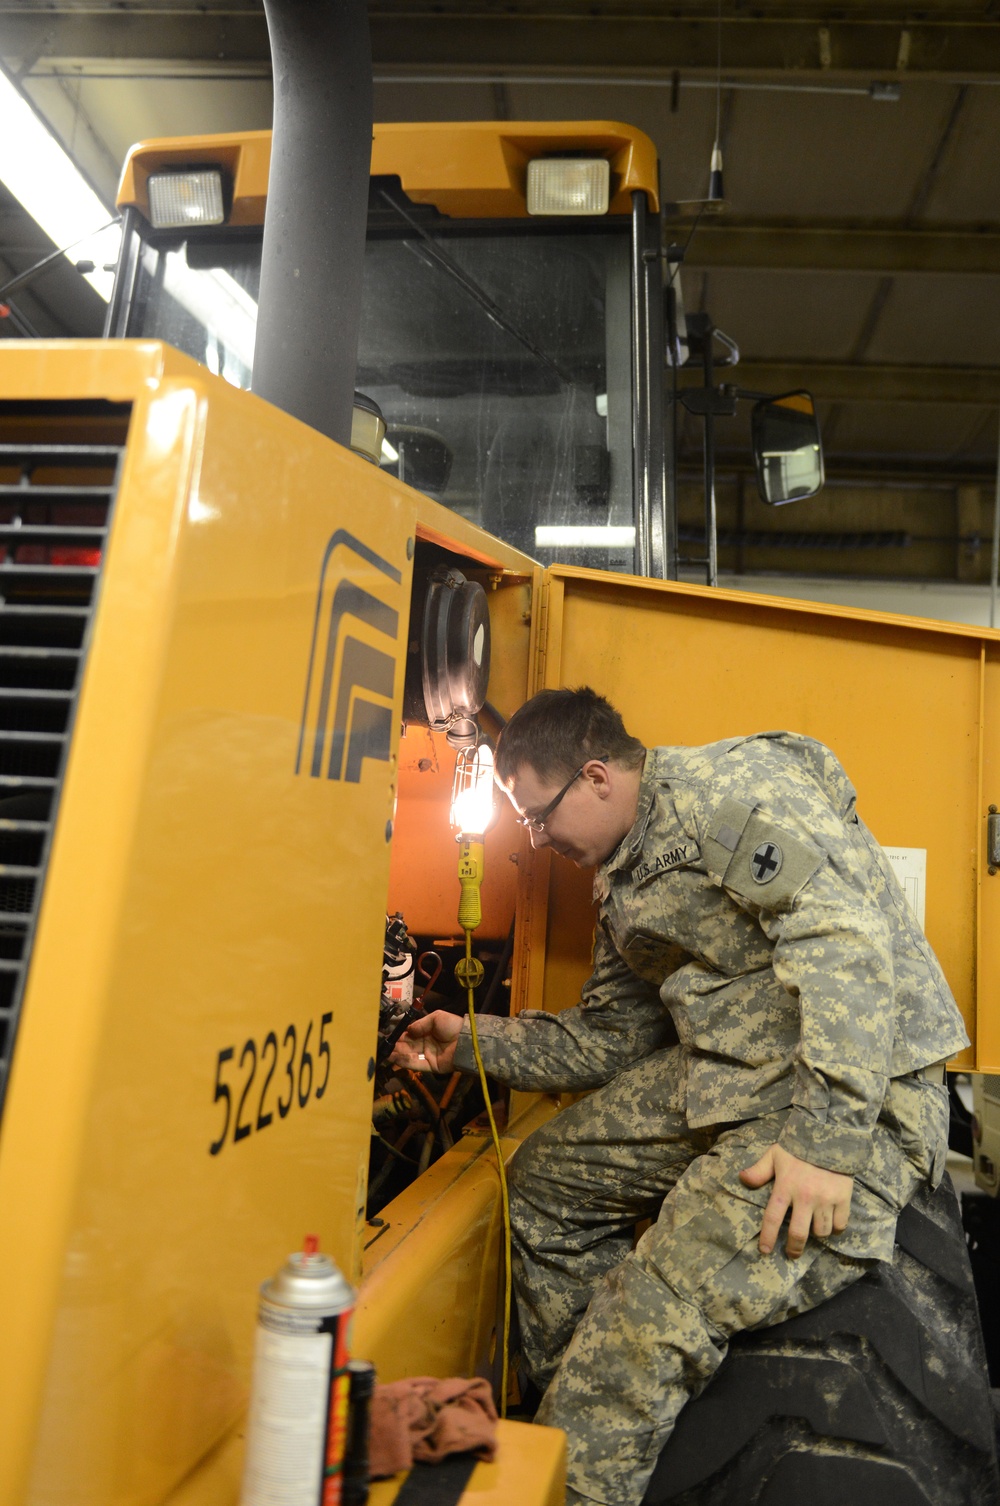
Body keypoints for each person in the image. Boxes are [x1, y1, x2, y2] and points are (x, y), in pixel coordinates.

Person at [391, 687, 968, 1506]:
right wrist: (472, 1043)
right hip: (732, 1071)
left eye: (538, 816)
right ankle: (598, 1423)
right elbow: (613, 1038)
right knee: (547, 1186)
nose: (539, 839)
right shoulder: (622, 877)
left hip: (850, 1089)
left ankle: (594, 1437)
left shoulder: (722, 799)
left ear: (595, 777)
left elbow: (842, 939)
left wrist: (824, 1145)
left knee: (647, 1316)